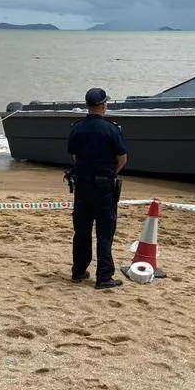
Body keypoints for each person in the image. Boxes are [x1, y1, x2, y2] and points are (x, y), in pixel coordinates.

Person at [67, 87, 128, 289]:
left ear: (87, 105)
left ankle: (78, 271)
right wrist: (109, 173)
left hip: (82, 186)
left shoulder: (77, 128)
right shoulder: (112, 129)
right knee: (104, 233)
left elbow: (74, 156)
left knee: (82, 231)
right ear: (104, 105)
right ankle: (103, 277)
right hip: (104, 188)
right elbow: (122, 159)